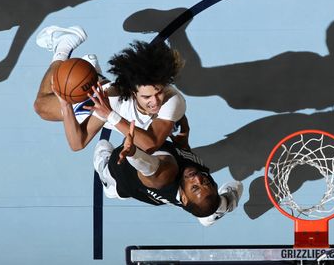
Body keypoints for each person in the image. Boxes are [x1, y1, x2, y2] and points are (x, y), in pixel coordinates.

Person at [33, 25, 189, 153]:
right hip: (101, 95)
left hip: (110, 108)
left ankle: (93, 75)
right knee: (41, 107)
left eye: (158, 93)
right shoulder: (110, 100)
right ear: (133, 92)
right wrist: (65, 103)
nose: (155, 101)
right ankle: (64, 45)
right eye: (147, 97)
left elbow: (151, 143)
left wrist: (110, 115)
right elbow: (78, 143)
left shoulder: (172, 98)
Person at [94, 120, 243, 226]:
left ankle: (109, 184)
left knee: (103, 146)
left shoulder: (165, 176)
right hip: (169, 191)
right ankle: (218, 208)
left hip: (119, 177)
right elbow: (196, 183)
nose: (197, 178)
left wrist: (132, 151)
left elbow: (147, 166)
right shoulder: (197, 175)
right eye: (206, 182)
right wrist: (183, 143)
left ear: (184, 197)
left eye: (195, 187)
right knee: (205, 203)